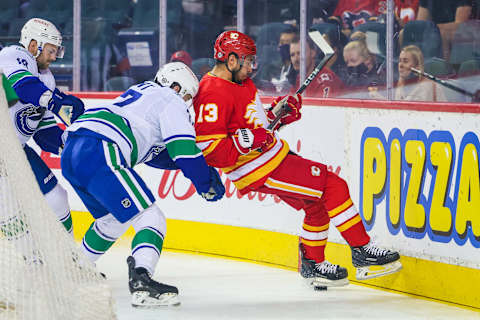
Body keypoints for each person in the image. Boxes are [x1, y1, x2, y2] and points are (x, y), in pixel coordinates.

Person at [193, 30, 401, 290]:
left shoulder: (241, 83)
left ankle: (313, 264)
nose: (251, 66)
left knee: (316, 205)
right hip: (256, 167)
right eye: (247, 61)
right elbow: (211, 150)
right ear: (231, 61)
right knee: (333, 185)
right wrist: (246, 140)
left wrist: (278, 113)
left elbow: (255, 126)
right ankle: (363, 251)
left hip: (270, 157)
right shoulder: (211, 91)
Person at [61, 62, 225, 307]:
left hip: (74, 151)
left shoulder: (144, 95)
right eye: (188, 96)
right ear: (176, 86)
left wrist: (200, 165)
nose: (187, 103)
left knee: (112, 220)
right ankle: (142, 280)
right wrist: (204, 182)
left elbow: (157, 155)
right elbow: (182, 150)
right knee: (151, 217)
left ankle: (75, 270)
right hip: (101, 147)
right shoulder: (170, 99)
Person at [0, 18, 85, 238]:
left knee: (57, 198)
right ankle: (32, 261)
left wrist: (74, 145)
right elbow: (23, 86)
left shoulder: (47, 78)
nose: (54, 57)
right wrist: (56, 101)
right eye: (50, 50)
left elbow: (44, 132)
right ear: (32, 44)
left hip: (14, 150)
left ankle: (70, 258)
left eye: (57, 51)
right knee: (9, 213)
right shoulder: (12, 55)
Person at [289, 34, 344, 98]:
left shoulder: (325, 81)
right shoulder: (299, 78)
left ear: (312, 53)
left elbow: (323, 107)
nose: (296, 59)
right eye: (292, 55)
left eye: (300, 53)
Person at [270, 25, 298, 94]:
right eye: (282, 42)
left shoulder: (299, 68)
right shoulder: (272, 67)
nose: (284, 46)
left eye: (288, 42)